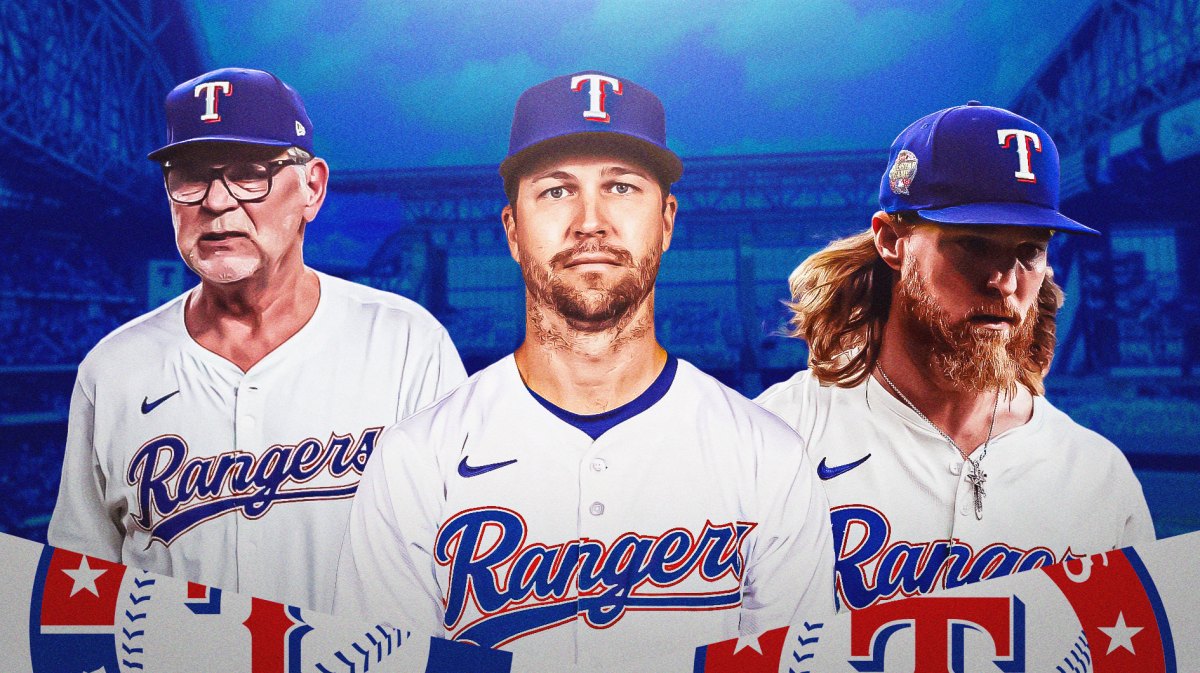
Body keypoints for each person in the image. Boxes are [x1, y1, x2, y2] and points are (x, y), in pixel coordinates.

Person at [334, 71, 834, 666]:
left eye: (622, 188)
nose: (590, 221)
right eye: (555, 191)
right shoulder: (417, 459)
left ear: (667, 221)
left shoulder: (768, 456)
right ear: (513, 231)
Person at [47, 67, 466, 612]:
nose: (217, 202)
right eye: (190, 176)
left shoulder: (407, 345)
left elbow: (461, 569)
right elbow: (80, 583)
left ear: (311, 188)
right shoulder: (114, 368)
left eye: (251, 173)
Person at [756, 102, 1154, 611]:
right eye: (972, 244)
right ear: (891, 240)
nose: (1005, 281)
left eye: (1029, 250)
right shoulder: (778, 439)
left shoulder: (1097, 475)